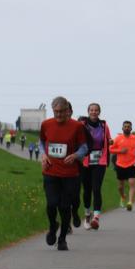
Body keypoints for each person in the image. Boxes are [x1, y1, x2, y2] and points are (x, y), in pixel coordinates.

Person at [39, 96, 88, 251]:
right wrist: (43, 155)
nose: (59, 115)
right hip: (51, 171)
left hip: (70, 174)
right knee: (51, 204)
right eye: (56, 112)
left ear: (68, 110)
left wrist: (76, 155)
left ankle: (62, 239)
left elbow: (84, 147)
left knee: (65, 207)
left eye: (62, 111)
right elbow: (41, 142)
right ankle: (53, 226)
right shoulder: (46, 124)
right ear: (53, 110)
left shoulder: (77, 126)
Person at [79, 104, 112, 230]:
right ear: (88, 112)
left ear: (99, 112)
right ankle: (87, 214)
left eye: (96, 110)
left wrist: (110, 141)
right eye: (91, 110)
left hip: (100, 161)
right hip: (85, 161)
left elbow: (108, 138)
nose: (94, 112)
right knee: (87, 190)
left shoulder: (103, 125)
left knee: (96, 189)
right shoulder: (82, 125)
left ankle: (96, 218)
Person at [109, 120, 135, 211]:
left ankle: (130, 202)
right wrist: (120, 151)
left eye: (128, 126)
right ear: (122, 128)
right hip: (120, 164)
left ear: (131, 128)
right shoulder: (118, 138)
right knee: (120, 187)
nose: (127, 128)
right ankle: (123, 196)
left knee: (132, 183)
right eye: (125, 126)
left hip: (132, 164)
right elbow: (110, 149)